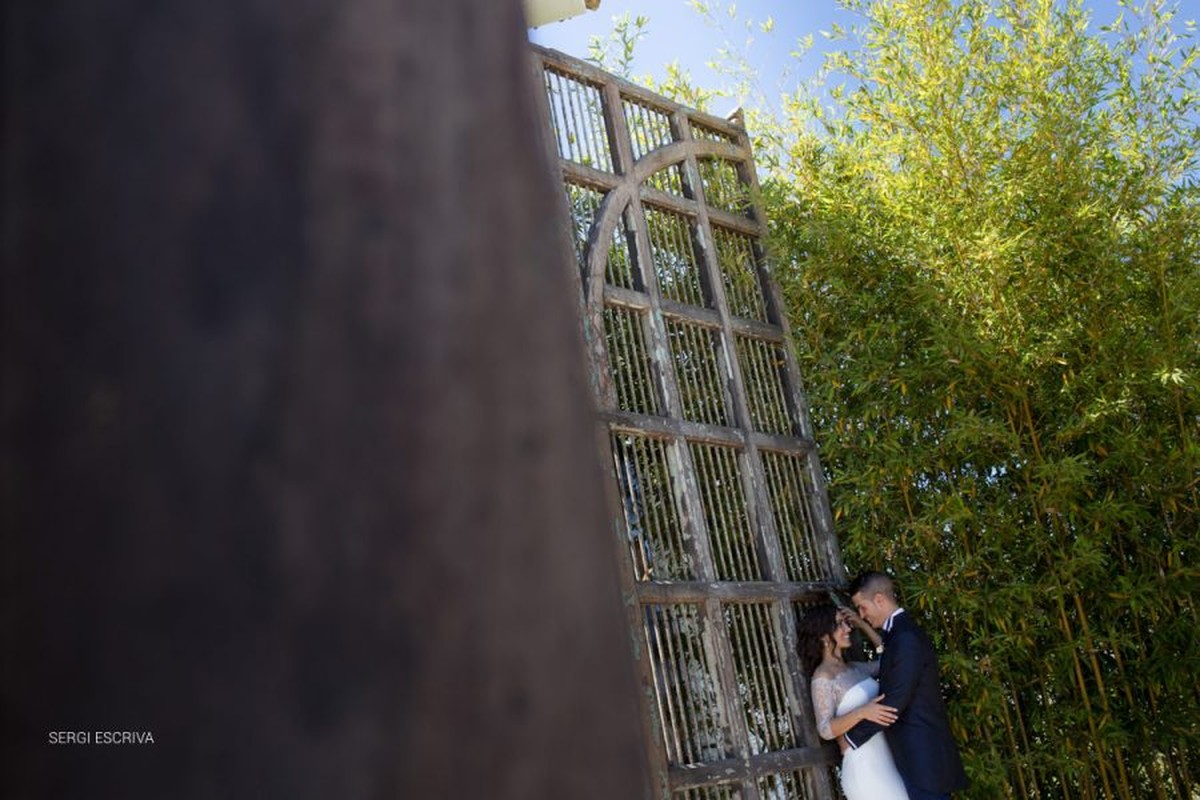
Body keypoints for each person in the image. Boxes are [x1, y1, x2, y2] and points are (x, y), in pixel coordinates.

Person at [843, 572, 969, 800]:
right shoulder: (900, 633)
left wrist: (850, 738)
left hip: (923, 759)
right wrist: (862, 626)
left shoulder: (905, 638)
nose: (862, 614)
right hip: (919, 757)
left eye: (862, 607)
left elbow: (895, 702)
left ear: (879, 599)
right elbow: (886, 657)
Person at [798, 603, 909, 799]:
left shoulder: (855, 668)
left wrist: (863, 625)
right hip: (864, 767)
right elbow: (825, 729)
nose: (848, 629)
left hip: (887, 757)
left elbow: (891, 660)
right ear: (824, 636)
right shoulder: (823, 677)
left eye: (847, 623)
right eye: (840, 624)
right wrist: (862, 712)